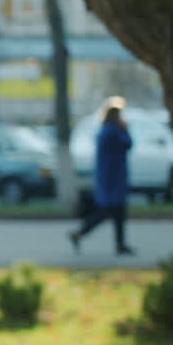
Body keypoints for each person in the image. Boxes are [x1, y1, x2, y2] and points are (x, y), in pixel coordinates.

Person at [68, 97, 134, 255]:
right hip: (113, 178)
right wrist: (126, 130)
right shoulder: (114, 130)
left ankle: (120, 244)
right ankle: (79, 233)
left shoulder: (104, 130)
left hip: (109, 177)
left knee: (117, 213)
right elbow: (128, 144)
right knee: (107, 212)